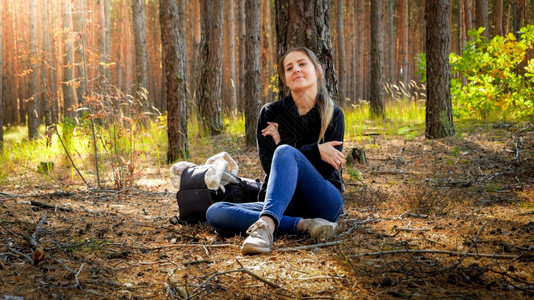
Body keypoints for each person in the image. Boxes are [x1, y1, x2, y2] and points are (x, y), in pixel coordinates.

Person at [206, 47, 345, 255]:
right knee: (215, 212)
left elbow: (325, 171)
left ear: (317, 71)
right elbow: (271, 166)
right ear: (286, 80)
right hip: (282, 205)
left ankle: (266, 228)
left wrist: (284, 145)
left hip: (323, 203)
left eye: (302, 64)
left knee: (284, 152)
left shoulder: (333, 114)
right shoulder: (271, 113)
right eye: (289, 68)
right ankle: (305, 225)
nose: (296, 69)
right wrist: (315, 151)